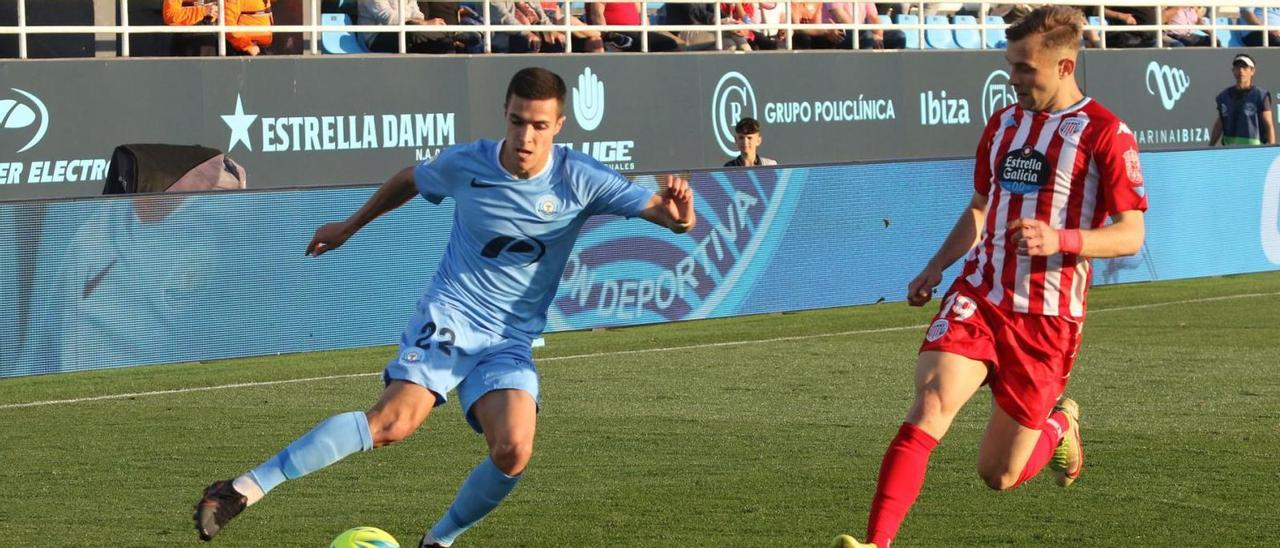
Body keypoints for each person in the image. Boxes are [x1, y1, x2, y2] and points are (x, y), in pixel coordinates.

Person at [192, 67, 698, 546]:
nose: (525, 137)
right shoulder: (468, 164)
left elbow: (670, 220)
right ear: (505, 112)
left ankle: (440, 539)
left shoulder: (581, 178)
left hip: (510, 339)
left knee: (514, 449)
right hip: (452, 314)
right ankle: (240, 489)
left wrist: (682, 213)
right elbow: (410, 179)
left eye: (539, 126)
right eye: (517, 121)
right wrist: (347, 227)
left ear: (559, 125)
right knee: (393, 424)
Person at [833, 6, 1148, 547]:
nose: (1014, 78)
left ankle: (1059, 427)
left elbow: (1132, 235)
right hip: (981, 295)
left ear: (1066, 67)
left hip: (1047, 320)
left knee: (998, 474)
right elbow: (981, 206)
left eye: (1026, 68)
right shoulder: (1003, 124)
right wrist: (937, 265)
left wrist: (1062, 240)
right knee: (931, 401)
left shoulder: (1105, 134)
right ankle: (876, 543)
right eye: (1012, 65)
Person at [358, 0, 477, 54]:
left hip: (406, 29)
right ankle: (454, 35)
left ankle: (450, 38)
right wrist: (422, 24)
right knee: (412, 30)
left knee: (442, 43)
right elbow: (389, 19)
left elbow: (416, 13)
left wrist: (425, 23)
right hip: (379, 36)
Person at [1211, 53, 1275, 146]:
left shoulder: (1260, 96)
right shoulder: (1224, 96)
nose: (1241, 71)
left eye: (1245, 68)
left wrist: (1271, 149)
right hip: (1229, 151)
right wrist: (1210, 146)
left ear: (1252, 71)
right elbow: (1220, 123)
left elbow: (1268, 124)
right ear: (1233, 71)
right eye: (1238, 67)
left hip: (1254, 150)